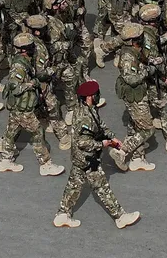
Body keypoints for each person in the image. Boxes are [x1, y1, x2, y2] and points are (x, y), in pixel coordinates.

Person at [54, 79, 141, 229]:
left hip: (79, 158)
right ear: (89, 97)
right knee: (102, 187)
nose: (97, 96)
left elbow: (100, 126)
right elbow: (82, 142)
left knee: (74, 185)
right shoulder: (84, 116)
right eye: (95, 94)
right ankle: (120, 216)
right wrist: (102, 144)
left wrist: (112, 138)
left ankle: (62, 214)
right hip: (87, 158)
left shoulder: (87, 109)